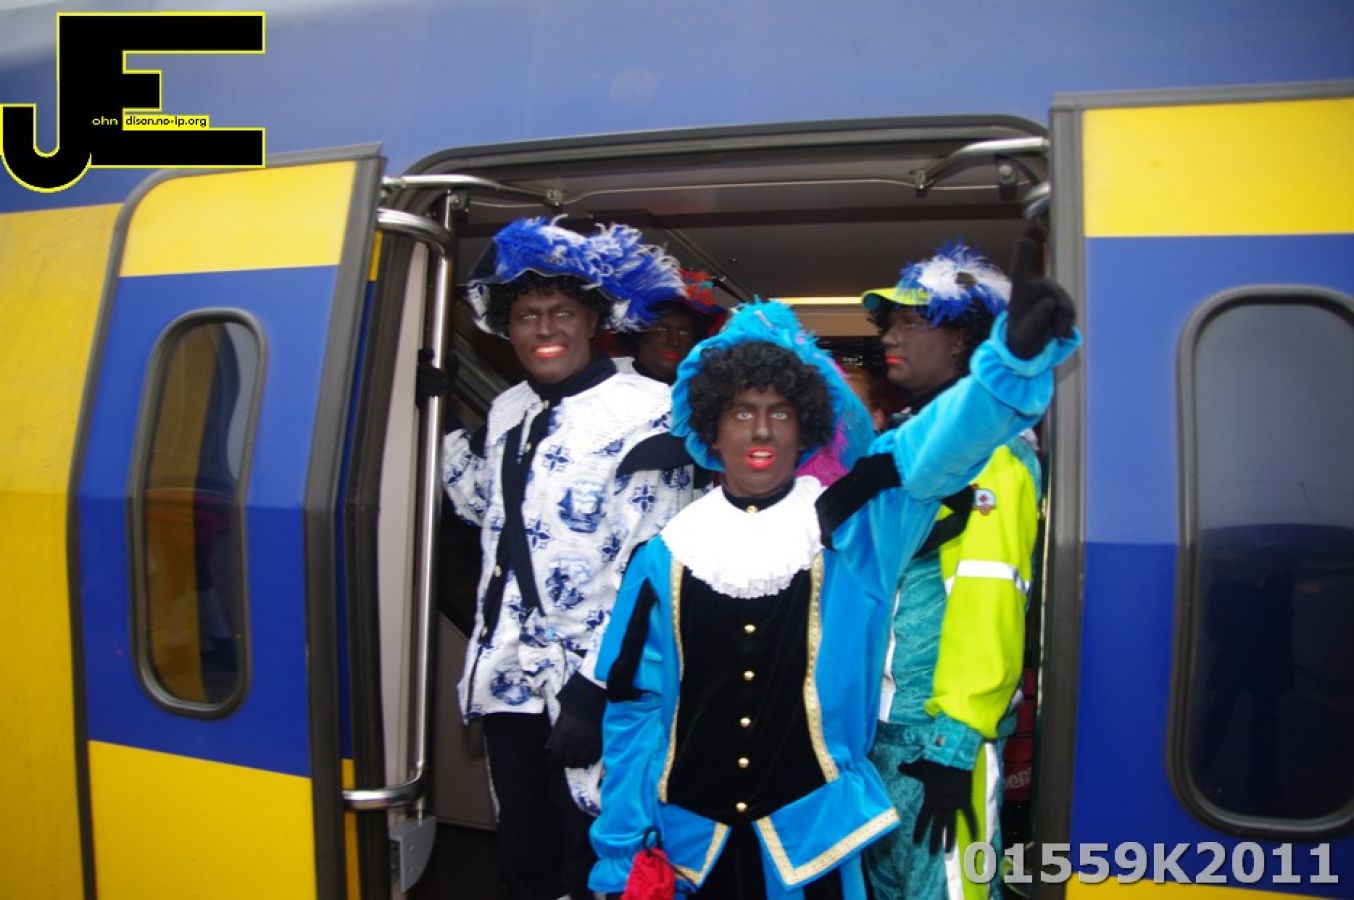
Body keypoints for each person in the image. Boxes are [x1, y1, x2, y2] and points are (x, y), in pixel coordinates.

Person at [589, 257, 1080, 899]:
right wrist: (621, 848)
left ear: (807, 427)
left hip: (815, 845)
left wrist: (1009, 366)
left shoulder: (855, 534)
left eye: (780, 413)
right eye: (739, 412)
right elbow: (635, 711)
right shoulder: (664, 554)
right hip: (692, 851)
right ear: (711, 427)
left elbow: (932, 450)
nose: (760, 429)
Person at [440, 216, 700, 900]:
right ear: (507, 327)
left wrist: (594, 690)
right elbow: (483, 507)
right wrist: (438, 422)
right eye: (527, 315)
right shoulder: (508, 409)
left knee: (598, 857)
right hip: (508, 679)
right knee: (524, 850)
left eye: (561, 312)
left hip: (596, 684)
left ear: (594, 321)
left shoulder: (650, 414)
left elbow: (658, 570)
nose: (544, 328)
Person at [859, 240, 1052, 900]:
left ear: (964, 339)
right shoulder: (900, 445)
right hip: (877, 734)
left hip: (937, 741)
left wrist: (954, 744)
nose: (891, 336)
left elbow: (991, 600)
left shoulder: (995, 453)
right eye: (890, 323)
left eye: (913, 322)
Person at [613, 269, 726, 385]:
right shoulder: (607, 376)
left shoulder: (701, 392)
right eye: (662, 329)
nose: (674, 341)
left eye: (684, 332)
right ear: (639, 333)